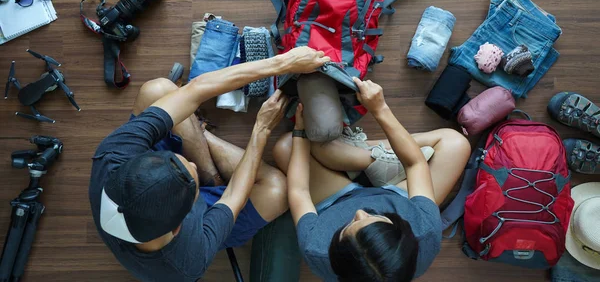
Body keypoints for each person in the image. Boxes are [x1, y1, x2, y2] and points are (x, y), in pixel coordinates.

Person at [88, 46, 330, 282]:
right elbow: (234, 196)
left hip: (154, 200)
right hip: (204, 226)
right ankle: (198, 135)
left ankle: (201, 144)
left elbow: (195, 90)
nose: (193, 164)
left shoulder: (112, 156)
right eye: (193, 183)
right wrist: (262, 128)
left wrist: (283, 62)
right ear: (179, 227)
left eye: (180, 162)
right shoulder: (187, 261)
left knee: (158, 89)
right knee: (277, 189)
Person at [274, 78, 471, 282]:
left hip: (337, 199)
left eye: (349, 225)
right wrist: (380, 109)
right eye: (376, 218)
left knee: (285, 147)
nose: (360, 212)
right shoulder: (425, 232)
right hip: (398, 194)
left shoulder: (317, 248)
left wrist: (299, 132)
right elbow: (415, 165)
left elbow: (299, 191)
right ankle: (371, 159)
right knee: (456, 144)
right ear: (402, 231)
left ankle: (362, 159)